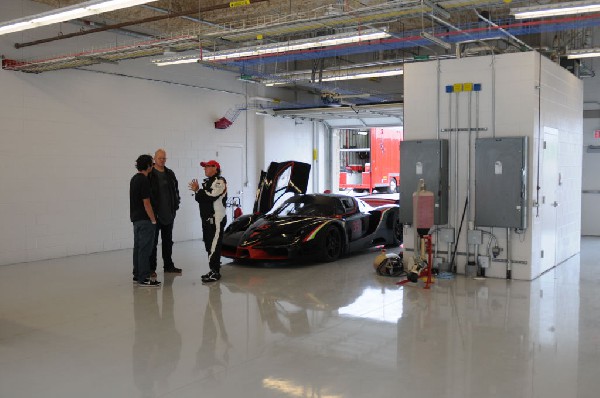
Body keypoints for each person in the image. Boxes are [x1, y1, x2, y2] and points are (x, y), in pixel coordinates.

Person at [188, 160, 227, 283]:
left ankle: (215, 272)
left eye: (207, 166)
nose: (204, 169)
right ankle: (212, 269)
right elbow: (200, 199)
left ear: (215, 168)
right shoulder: (207, 182)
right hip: (206, 219)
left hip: (216, 219)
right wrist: (199, 193)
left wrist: (198, 191)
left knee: (214, 245)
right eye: (204, 167)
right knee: (209, 245)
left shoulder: (220, 181)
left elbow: (210, 196)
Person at [149, 149, 182, 274]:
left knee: (168, 241)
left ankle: (168, 266)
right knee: (153, 243)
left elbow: (176, 190)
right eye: (160, 158)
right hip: (155, 215)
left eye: (164, 158)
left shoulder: (170, 173)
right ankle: (151, 268)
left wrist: (176, 204)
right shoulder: (150, 173)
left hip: (169, 214)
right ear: (154, 159)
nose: (162, 160)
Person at [130, 154, 161, 287]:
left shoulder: (134, 179)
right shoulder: (144, 180)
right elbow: (146, 203)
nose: (153, 165)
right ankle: (143, 278)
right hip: (145, 219)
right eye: (152, 163)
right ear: (148, 166)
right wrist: (153, 219)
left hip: (136, 219)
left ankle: (137, 275)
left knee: (138, 248)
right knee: (145, 249)